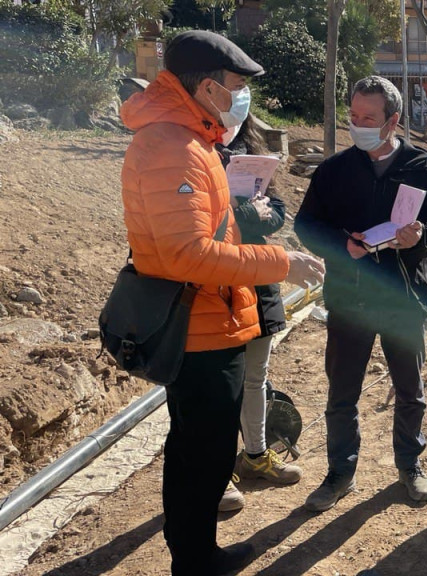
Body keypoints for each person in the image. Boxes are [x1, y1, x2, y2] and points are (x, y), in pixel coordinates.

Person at [119, 30, 324, 575]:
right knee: (201, 455)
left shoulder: (190, 139)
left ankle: (197, 551)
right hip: (200, 330)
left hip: (214, 320)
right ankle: (195, 560)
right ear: (208, 87)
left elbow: (213, 235)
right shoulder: (173, 147)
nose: (240, 96)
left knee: (200, 451)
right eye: (235, 85)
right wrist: (282, 263)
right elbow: (187, 255)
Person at [294, 76, 427, 512]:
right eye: (354, 116)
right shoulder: (334, 170)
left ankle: (410, 465)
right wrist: (340, 245)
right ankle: (340, 473)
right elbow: (305, 225)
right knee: (341, 394)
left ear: (393, 121)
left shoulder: (423, 167)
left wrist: (420, 237)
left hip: (403, 298)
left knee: (411, 391)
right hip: (350, 298)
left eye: (369, 118)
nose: (358, 124)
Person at [215, 117, 302, 513]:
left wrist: (266, 215)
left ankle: (255, 454)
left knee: (255, 376)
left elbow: (278, 209)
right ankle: (215, 473)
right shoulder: (192, 157)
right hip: (215, 285)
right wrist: (247, 214)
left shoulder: (252, 157)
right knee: (217, 386)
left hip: (258, 280)